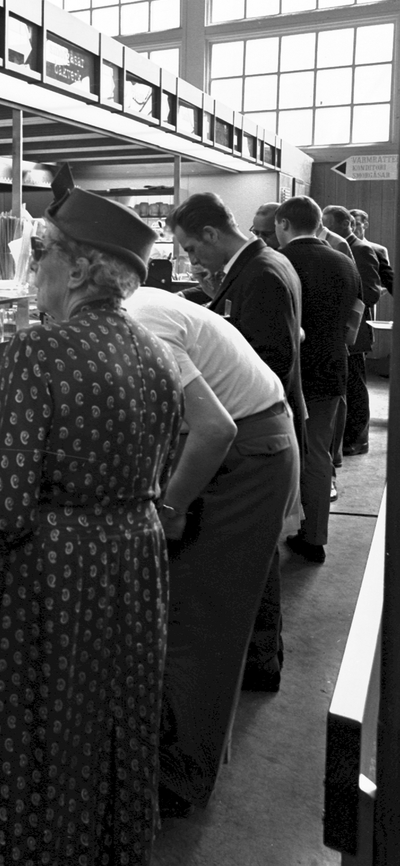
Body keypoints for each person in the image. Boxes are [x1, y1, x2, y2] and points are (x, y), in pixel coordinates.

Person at [0, 181, 183, 864]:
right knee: (113, 720)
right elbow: (159, 464)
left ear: (77, 270)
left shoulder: (40, 352)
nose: (35, 268)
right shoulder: (156, 354)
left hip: (51, 576)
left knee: (37, 731)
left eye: (43, 253)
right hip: (133, 563)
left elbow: (5, 508)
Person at [125, 286, 297, 817]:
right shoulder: (139, 305)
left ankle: (176, 779)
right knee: (233, 594)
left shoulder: (141, 322)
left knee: (197, 617)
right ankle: (257, 671)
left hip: (245, 452)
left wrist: (170, 507)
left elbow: (215, 428)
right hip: (259, 437)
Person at [167, 191, 303, 692]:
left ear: (210, 233)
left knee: (249, 559)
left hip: (256, 432)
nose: (191, 258)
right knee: (256, 554)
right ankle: (259, 656)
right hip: (263, 424)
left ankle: (258, 660)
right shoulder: (261, 264)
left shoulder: (261, 273)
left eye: (190, 247)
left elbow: (271, 355)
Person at [275, 197, 361, 564]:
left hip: (297, 372)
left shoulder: (281, 261)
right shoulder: (344, 261)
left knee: (295, 456)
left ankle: (303, 535)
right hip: (334, 366)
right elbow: (355, 315)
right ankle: (314, 533)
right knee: (319, 453)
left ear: (283, 223)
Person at [323, 204, 384, 456]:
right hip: (343, 328)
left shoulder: (360, 249)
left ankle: (359, 439)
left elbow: (371, 293)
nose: (324, 230)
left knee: (356, 387)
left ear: (345, 224)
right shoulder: (336, 247)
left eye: (327, 225)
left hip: (355, 330)